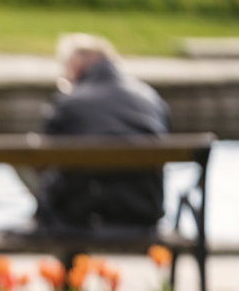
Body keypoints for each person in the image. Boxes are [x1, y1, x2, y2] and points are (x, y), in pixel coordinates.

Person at [19, 33, 170, 233]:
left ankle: (65, 253)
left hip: (83, 214)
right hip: (144, 212)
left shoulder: (70, 103)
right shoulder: (150, 97)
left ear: (76, 64)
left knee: (25, 160)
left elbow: (42, 159)